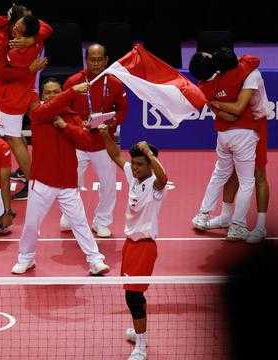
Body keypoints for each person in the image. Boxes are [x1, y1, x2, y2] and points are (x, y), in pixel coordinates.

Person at [11, 78, 109, 275]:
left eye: (56, 91)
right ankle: (26, 258)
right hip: (42, 181)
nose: (52, 96)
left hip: (67, 183)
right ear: (42, 96)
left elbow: (85, 142)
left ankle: (95, 260)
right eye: (48, 92)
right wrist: (73, 90)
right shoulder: (38, 114)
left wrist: (65, 126)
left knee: (79, 223)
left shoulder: (71, 117)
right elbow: (54, 105)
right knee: (31, 224)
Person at [98, 124, 168, 360]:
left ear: (150, 163)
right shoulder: (134, 175)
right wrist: (106, 134)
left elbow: (163, 176)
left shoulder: (156, 186)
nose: (135, 169)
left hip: (145, 247)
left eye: (140, 165)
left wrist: (149, 153)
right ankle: (140, 334)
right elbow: (115, 155)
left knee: (134, 296)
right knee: (132, 294)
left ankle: (141, 345)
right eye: (135, 164)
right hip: (130, 244)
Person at [198, 51, 271, 243]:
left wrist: (212, 102)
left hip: (256, 125)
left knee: (258, 175)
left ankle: (261, 226)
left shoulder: (251, 75)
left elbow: (238, 108)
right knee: (231, 174)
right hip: (240, 128)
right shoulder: (225, 76)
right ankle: (226, 216)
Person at [58, 43, 128, 237]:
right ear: (86, 60)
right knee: (71, 182)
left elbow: (123, 109)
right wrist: (77, 123)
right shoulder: (73, 81)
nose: (95, 63)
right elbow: (64, 108)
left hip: (103, 143)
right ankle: (70, 215)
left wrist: (112, 122)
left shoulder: (114, 83)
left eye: (99, 59)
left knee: (108, 185)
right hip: (77, 142)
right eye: (92, 59)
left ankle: (102, 221)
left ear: (106, 60)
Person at [0, 14, 51, 201]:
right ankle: (26, 172)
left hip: (13, 97)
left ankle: (32, 183)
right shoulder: (36, 40)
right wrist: (32, 39)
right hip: (26, 91)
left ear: (22, 32)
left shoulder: (15, 51)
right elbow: (44, 27)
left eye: (18, 25)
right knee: (16, 136)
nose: (14, 26)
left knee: (14, 139)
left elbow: (3, 73)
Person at [0, 5, 49, 134]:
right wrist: (29, 70)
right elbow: (1, 73)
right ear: (15, 23)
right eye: (23, 21)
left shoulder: (28, 29)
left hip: (19, 80)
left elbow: (47, 29)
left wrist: (32, 39)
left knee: (35, 118)